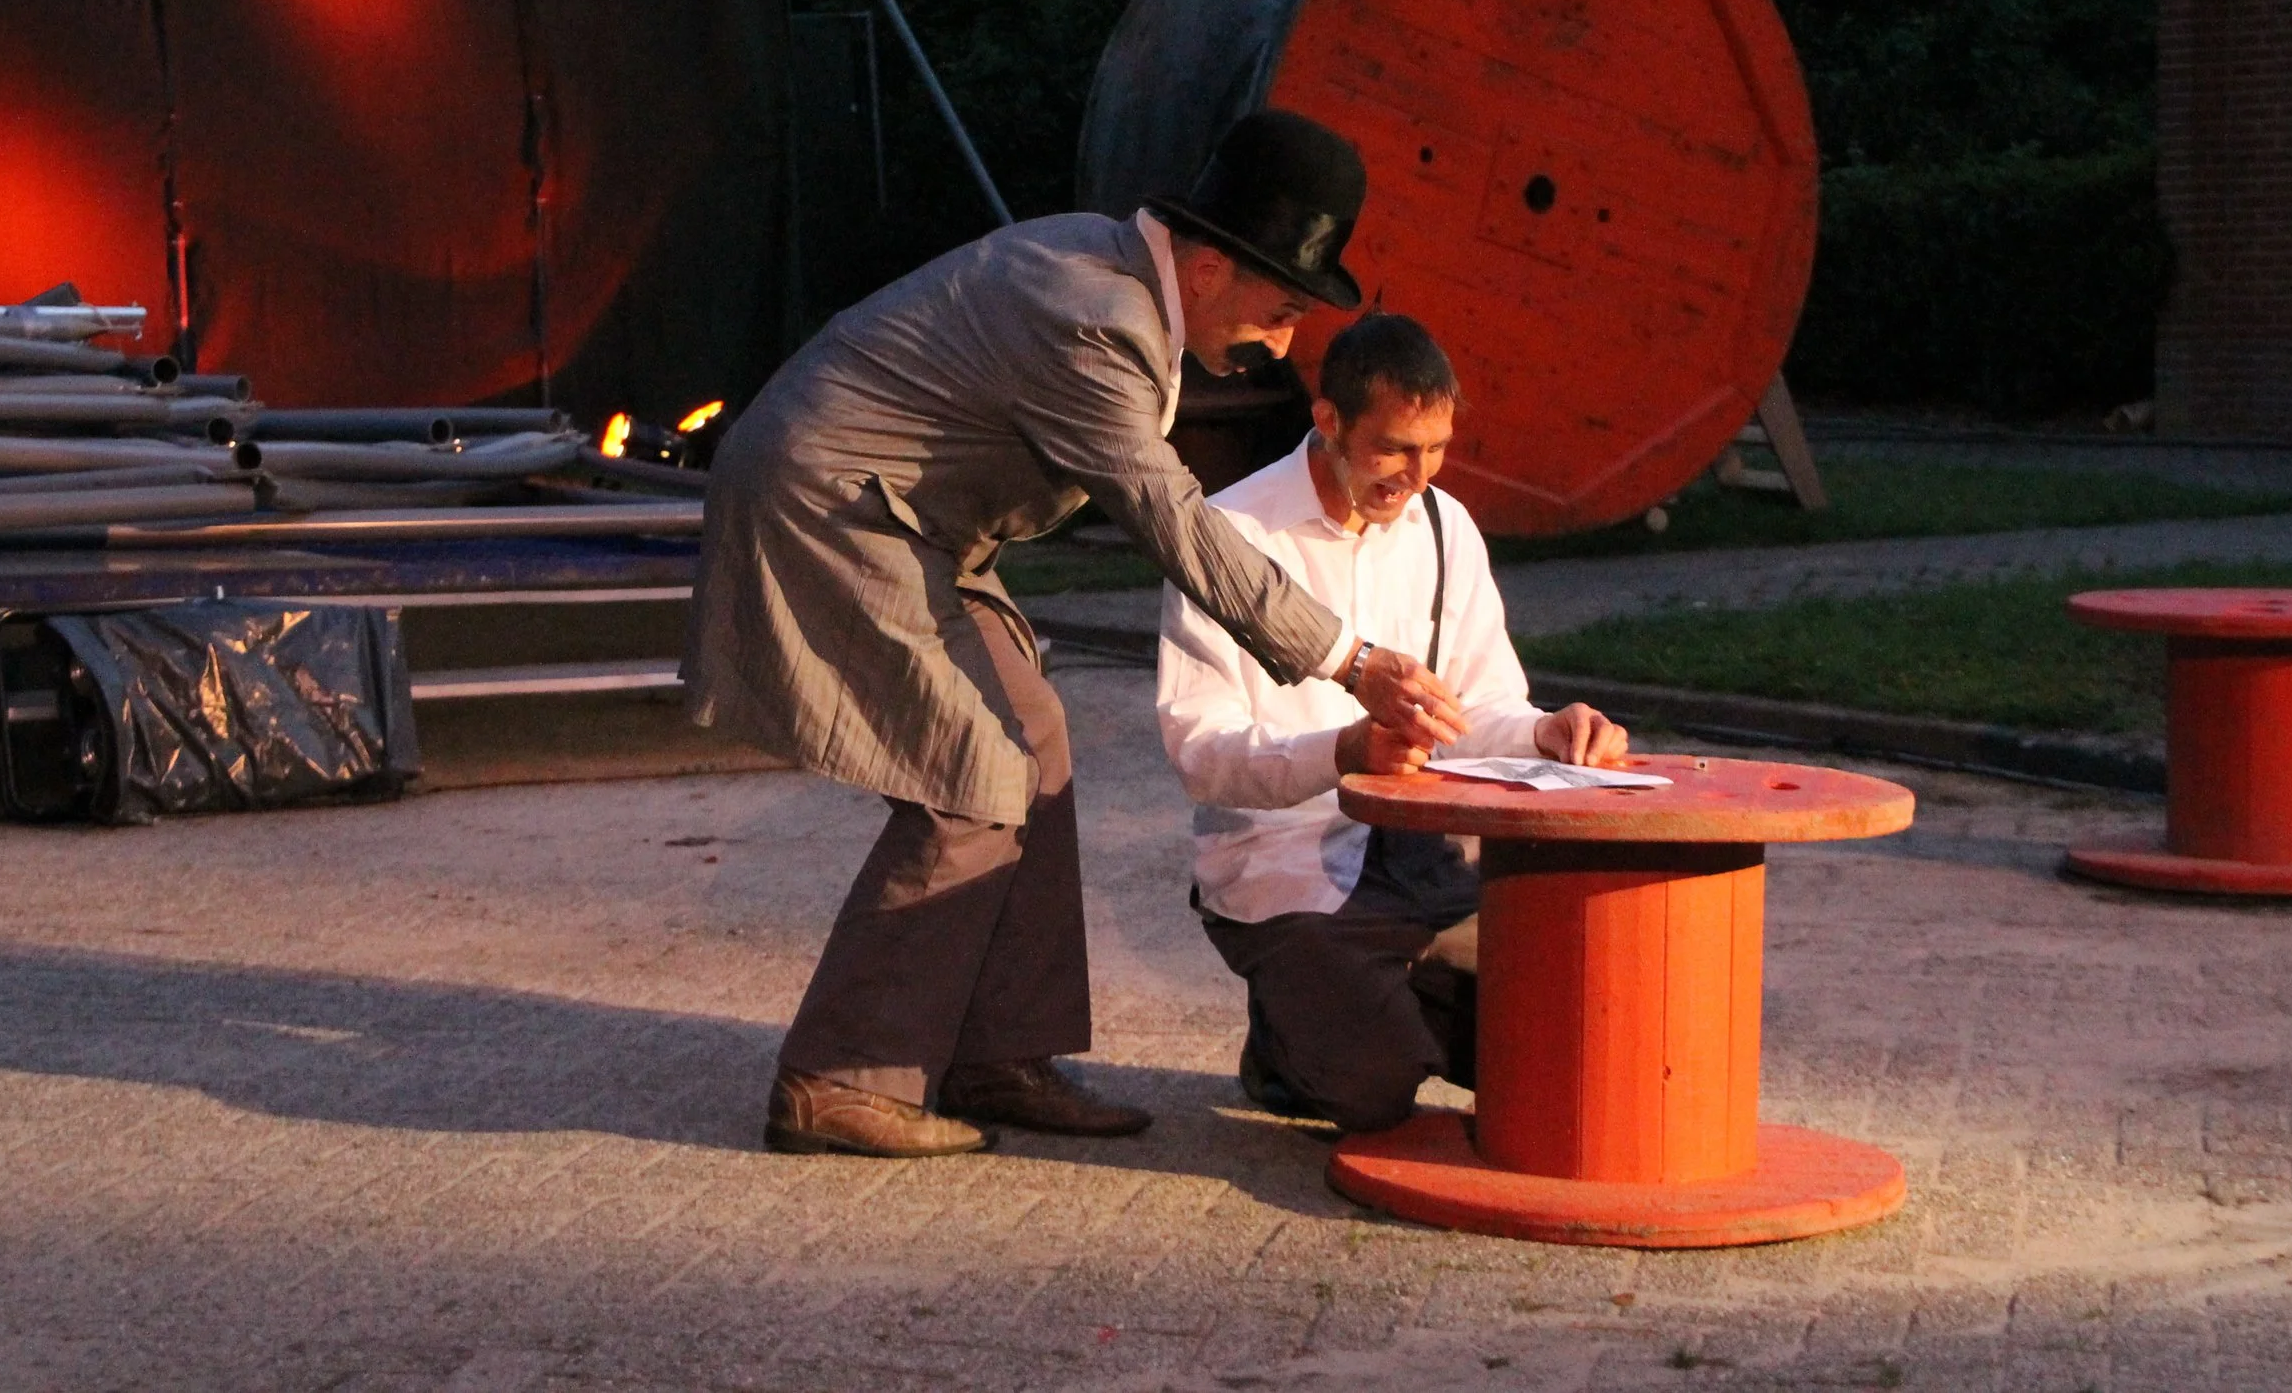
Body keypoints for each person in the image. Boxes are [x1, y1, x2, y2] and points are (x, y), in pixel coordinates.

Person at [683, 111, 1469, 1158]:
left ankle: (994, 1052)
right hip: (829, 513)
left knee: (1036, 737)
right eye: (1279, 310)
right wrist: (1353, 658)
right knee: (969, 765)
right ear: (1204, 262)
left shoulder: (1112, 276)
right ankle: (836, 1076)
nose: (1281, 344)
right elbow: (1172, 520)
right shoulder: (1097, 316)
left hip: (908, 527)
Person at [1155, 311, 1629, 1133]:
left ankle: (1372, 1002)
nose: (1418, 476)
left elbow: (1480, 708)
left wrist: (1545, 731)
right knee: (1373, 1091)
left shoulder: (1444, 527)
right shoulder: (1229, 535)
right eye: (1395, 448)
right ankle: (1300, 1029)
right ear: (1328, 420)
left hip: (1423, 856)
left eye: (1437, 447)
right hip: (1287, 860)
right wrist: (1343, 750)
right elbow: (1202, 754)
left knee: (1571, 1037)